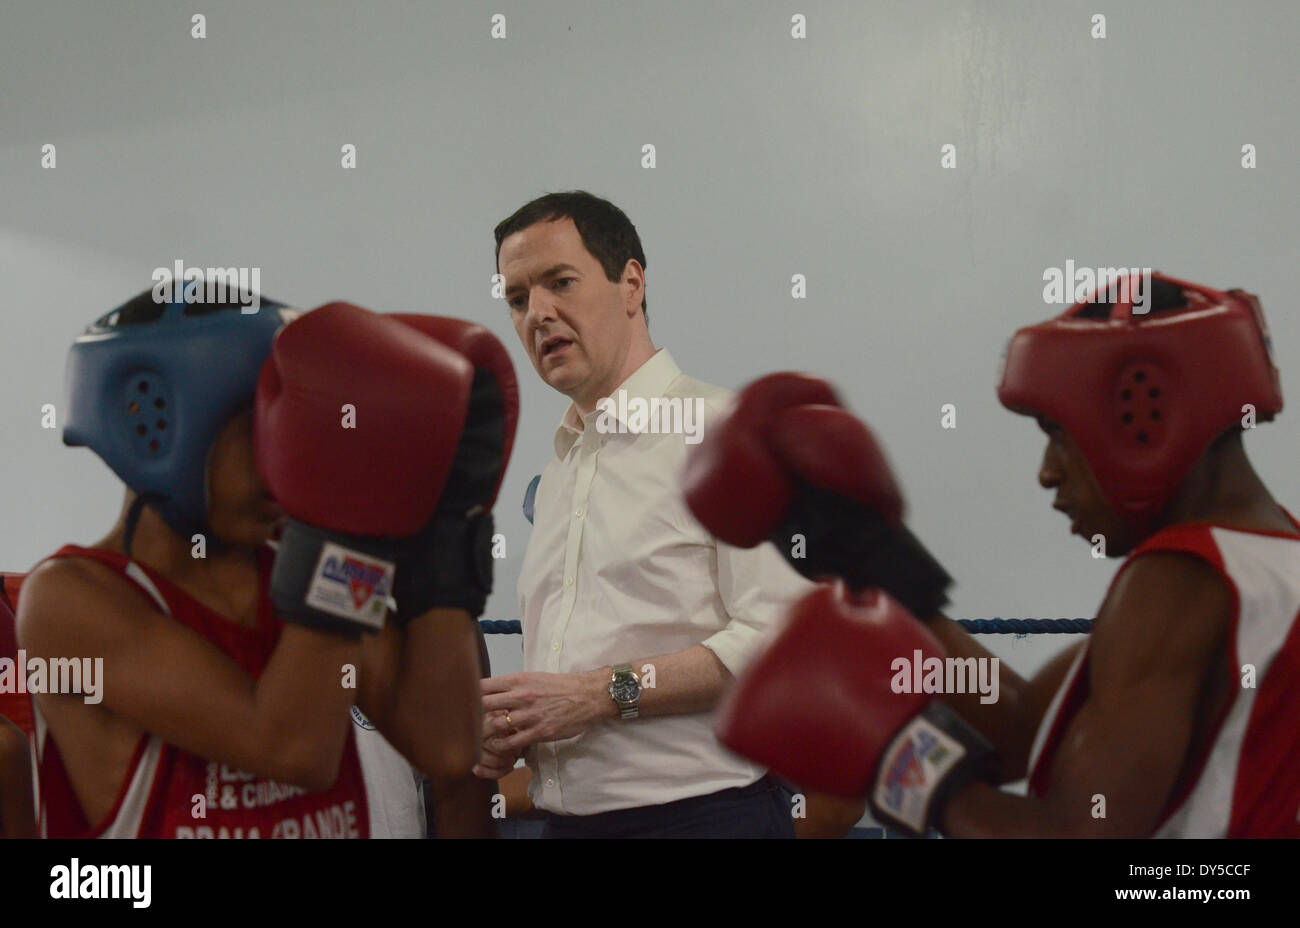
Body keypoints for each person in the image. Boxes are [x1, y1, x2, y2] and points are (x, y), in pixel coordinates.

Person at [688, 272, 1300, 838]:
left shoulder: (1180, 580)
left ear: (1144, 410)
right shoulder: (1268, 557)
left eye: (1058, 434)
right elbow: (1023, 728)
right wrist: (875, 563)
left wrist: (897, 764)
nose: (1047, 473)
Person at [17, 288, 514, 838]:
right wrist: (348, 521)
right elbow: (293, 748)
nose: (287, 462)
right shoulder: (71, 599)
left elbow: (446, 745)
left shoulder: (293, 570)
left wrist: (447, 531)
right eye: (264, 432)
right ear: (156, 421)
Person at [473, 190, 818, 838]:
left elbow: (783, 640)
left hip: (703, 816)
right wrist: (520, 731)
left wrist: (598, 695)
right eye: (517, 299)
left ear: (630, 284)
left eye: (559, 283)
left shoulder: (731, 433)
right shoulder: (560, 474)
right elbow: (580, 678)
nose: (536, 314)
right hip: (568, 820)